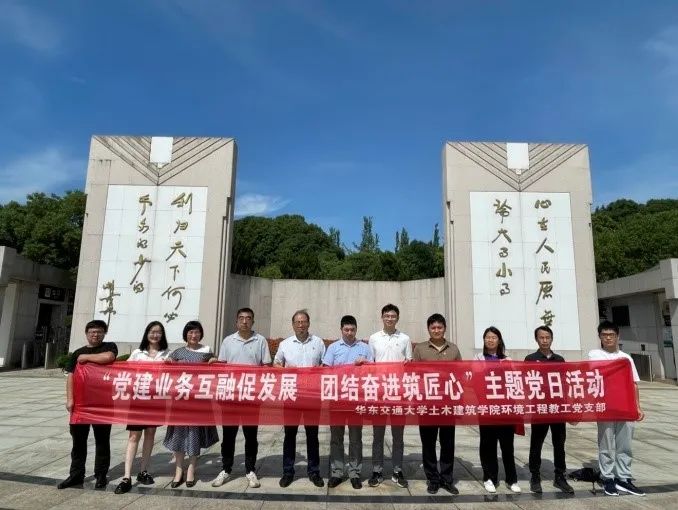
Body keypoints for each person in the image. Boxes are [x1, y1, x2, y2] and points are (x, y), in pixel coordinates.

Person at [211, 307, 272, 489]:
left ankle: (250, 470)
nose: (245, 321)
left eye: (248, 318)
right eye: (241, 318)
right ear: (236, 321)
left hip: (251, 397)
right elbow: (222, 366)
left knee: (250, 435)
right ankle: (226, 469)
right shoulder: (228, 341)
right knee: (228, 436)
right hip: (230, 396)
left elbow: (266, 367)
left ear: (253, 321)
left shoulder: (260, 340)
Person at [57, 319, 118, 489]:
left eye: (99, 331)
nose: (95, 334)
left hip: (103, 404)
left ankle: (101, 475)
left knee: (102, 441)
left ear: (104, 333)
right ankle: (76, 475)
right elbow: (70, 376)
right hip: (81, 405)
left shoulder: (109, 347)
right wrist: (70, 399)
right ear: (86, 334)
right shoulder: (77, 353)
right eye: (92, 332)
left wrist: (86, 357)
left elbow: (109, 357)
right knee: (78, 442)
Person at [114, 321, 172, 494]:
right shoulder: (137, 353)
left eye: (159, 332)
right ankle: (126, 476)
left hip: (156, 400)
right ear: (147, 333)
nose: (155, 335)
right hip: (138, 399)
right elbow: (125, 371)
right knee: (134, 436)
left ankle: (143, 471)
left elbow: (173, 375)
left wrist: (170, 364)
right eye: (152, 331)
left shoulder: (167, 353)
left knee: (150, 434)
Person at [589, 320, 645, 497]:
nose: (608, 338)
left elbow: (634, 383)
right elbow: (595, 374)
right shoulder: (594, 354)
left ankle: (623, 478)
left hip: (625, 406)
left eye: (611, 335)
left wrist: (637, 407)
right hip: (606, 406)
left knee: (625, 444)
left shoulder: (626, 358)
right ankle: (607, 477)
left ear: (617, 336)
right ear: (600, 337)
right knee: (606, 444)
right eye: (604, 335)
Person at [163, 320, 219, 488]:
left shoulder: (206, 351)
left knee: (194, 432)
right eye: (190, 332)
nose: (194, 335)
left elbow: (215, 368)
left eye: (196, 332)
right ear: (185, 334)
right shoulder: (177, 352)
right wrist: (168, 362)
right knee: (179, 434)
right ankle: (178, 469)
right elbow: (168, 370)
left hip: (198, 399)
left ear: (201, 334)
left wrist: (214, 360)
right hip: (180, 399)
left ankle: (191, 469)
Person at [274, 310, 326, 488]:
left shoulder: (318, 342)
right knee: (290, 435)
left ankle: (314, 472)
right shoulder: (285, 344)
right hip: (291, 396)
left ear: (309, 323)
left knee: (312, 435)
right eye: (297, 322)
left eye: (304, 322)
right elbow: (276, 364)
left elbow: (325, 365)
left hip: (312, 396)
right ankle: (288, 472)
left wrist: (317, 371)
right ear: (293, 324)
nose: (301, 325)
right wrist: (288, 371)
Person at [412, 313, 461, 495]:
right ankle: (432, 479)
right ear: (428, 329)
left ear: (444, 329)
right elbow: (414, 375)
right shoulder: (420, 349)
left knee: (448, 443)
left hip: (448, 403)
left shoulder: (453, 349)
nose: (436, 330)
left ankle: (447, 479)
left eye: (439, 327)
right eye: (433, 327)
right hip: (427, 403)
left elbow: (460, 375)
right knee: (428, 443)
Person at [323, 315, 374, 489]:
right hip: (337, 400)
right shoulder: (333, 348)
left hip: (356, 399)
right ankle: (337, 472)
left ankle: (355, 473)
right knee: (336, 438)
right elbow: (325, 371)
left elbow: (373, 372)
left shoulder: (364, 348)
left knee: (355, 438)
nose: (349, 332)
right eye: (346, 329)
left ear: (356, 329)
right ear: (341, 329)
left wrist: (365, 364)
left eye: (352, 329)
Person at [524, 325, 574, 494]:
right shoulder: (530, 359)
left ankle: (560, 476)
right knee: (536, 443)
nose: (544, 340)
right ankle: (535, 476)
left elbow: (565, 383)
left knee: (559, 443)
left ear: (552, 339)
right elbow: (526, 383)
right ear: (536, 339)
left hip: (557, 408)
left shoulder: (559, 359)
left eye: (547, 337)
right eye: (541, 337)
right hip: (540, 408)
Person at [367, 303, 412, 489]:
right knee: (378, 435)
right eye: (387, 316)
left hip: (398, 394)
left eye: (393, 316)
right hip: (379, 393)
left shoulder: (405, 338)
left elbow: (409, 364)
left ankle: (397, 471)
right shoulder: (374, 338)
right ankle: (377, 471)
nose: (390, 319)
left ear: (397, 318)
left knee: (398, 436)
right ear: (382, 317)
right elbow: (370, 365)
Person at [474, 326, 521, 494]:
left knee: (507, 445)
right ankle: (489, 478)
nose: (490, 340)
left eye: (494, 337)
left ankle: (511, 479)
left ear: (499, 340)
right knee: (488, 444)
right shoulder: (478, 358)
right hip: (486, 408)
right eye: (487, 337)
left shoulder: (507, 359)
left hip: (505, 408)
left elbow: (514, 381)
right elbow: (475, 380)